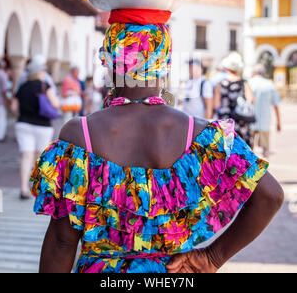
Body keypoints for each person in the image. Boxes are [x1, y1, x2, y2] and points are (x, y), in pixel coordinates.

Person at [30, 19, 283, 274]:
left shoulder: (79, 135)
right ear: (165, 65)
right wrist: (212, 257)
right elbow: (271, 196)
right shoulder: (203, 136)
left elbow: (62, 241)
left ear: (108, 61)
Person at [12, 57, 60, 200]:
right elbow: (56, 104)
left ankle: (23, 188)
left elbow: (14, 108)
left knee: (26, 156)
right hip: (42, 126)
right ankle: (38, 188)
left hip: (23, 124)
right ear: (40, 72)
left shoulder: (22, 86)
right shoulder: (45, 86)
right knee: (40, 157)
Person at [214, 52, 255, 147]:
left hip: (225, 122)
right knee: (242, 151)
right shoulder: (244, 83)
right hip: (240, 121)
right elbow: (251, 100)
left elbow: (216, 105)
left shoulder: (220, 84)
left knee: (225, 149)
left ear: (227, 67)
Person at [249, 64, 281, 159]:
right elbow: (276, 105)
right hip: (265, 121)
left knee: (249, 148)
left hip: (249, 119)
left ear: (254, 72)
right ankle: (265, 169)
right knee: (265, 149)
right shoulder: (269, 84)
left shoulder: (249, 83)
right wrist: (278, 122)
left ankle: (249, 168)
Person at [0, 60, 10, 142]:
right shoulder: (3, 75)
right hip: (0, 100)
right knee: (1, 118)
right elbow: (4, 90)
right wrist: (7, 100)